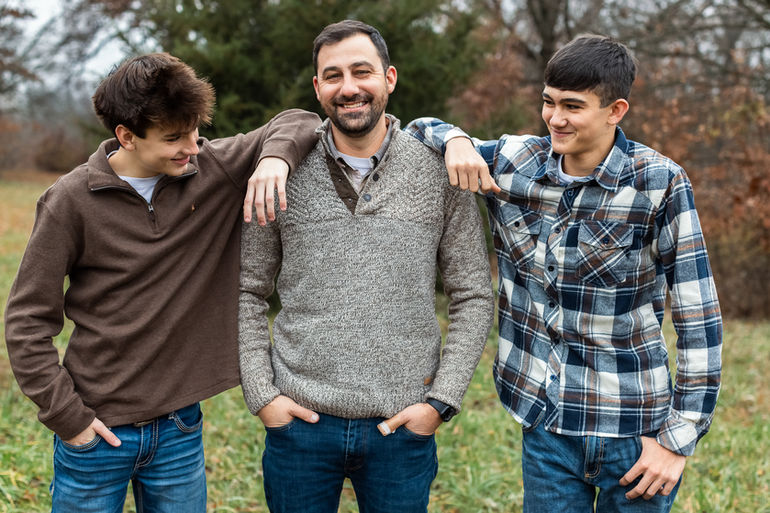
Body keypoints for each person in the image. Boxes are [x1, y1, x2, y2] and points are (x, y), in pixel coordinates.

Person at [405, 35, 722, 513]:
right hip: (545, 422)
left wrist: (678, 440)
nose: (555, 118)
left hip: (634, 431)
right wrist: (455, 140)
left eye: (573, 106)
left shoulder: (658, 184)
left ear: (616, 110)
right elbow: (415, 131)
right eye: (548, 102)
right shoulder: (516, 164)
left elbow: (699, 318)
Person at [4, 52, 320, 512]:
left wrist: (273, 159)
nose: (192, 146)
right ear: (126, 136)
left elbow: (301, 119)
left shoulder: (212, 168)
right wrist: (69, 420)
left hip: (179, 431)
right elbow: (27, 321)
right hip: (95, 432)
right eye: (174, 137)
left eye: (194, 130)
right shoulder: (70, 201)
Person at [238, 20, 494, 513]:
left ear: (389, 78)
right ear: (317, 88)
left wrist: (440, 402)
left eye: (362, 72)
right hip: (299, 423)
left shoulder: (438, 169)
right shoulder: (280, 169)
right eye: (332, 76)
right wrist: (262, 394)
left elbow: (472, 294)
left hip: (402, 427)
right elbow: (247, 290)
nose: (348, 87)